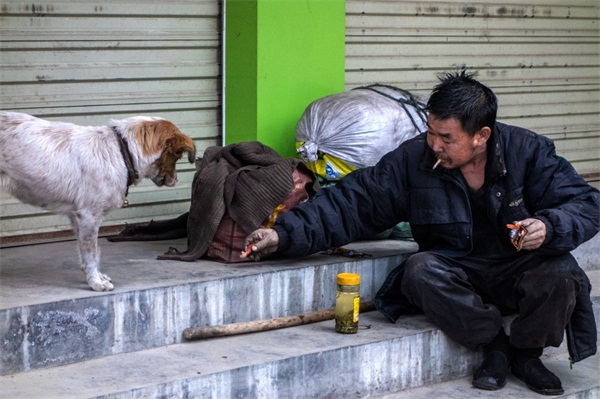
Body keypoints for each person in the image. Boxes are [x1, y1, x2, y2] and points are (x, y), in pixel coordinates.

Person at [241, 70, 600, 395]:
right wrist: (283, 236)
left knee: (562, 272)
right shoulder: (414, 159)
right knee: (420, 270)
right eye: (430, 132)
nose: (435, 145)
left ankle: (526, 354)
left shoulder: (530, 152)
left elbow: (586, 203)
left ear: (481, 136)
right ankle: (496, 346)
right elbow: (354, 202)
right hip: (458, 269)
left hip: (518, 266)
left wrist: (549, 226)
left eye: (446, 137)